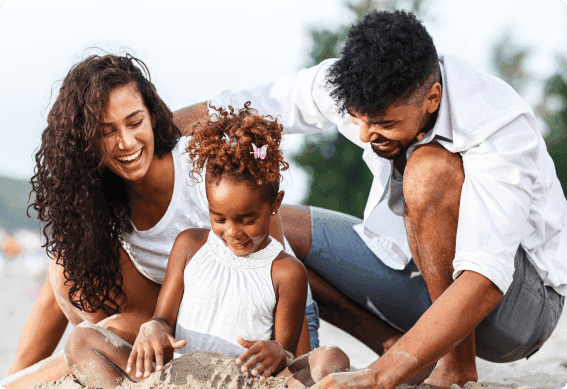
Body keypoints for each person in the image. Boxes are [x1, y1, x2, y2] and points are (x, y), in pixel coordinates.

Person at [174, 10, 567, 389]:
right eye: (357, 119)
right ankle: (395, 348)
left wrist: (380, 377)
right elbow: (241, 108)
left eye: (384, 124)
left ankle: (455, 366)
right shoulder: (352, 83)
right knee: (270, 227)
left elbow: (486, 277)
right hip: (423, 280)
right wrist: (150, 128)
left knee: (427, 170)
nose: (364, 135)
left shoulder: (496, 124)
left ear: (432, 98)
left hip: (516, 312)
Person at [2, 54, 319, 389]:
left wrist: (295, 367)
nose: (125, 142)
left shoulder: (216, 174)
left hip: (267, 333)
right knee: (70, 272)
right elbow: (73, 295)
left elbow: (282, 284)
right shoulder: (111, 201)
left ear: (152, 117)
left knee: (105, 330)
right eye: (107, 131)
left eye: (134, 122)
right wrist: (156, 326)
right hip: (189, 330)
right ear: (87, 140)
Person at [63, 103, 349, 389]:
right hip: (181, 378)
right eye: (219, 218)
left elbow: (286, 352)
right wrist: (154, 328)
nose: (232, 232)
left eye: (247, 220)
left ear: (274, 204)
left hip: (248, 382)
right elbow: (163, 318)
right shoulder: (189, 245)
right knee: (82, 340)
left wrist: (277, 351)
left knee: (331, 359)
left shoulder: (286, 272)